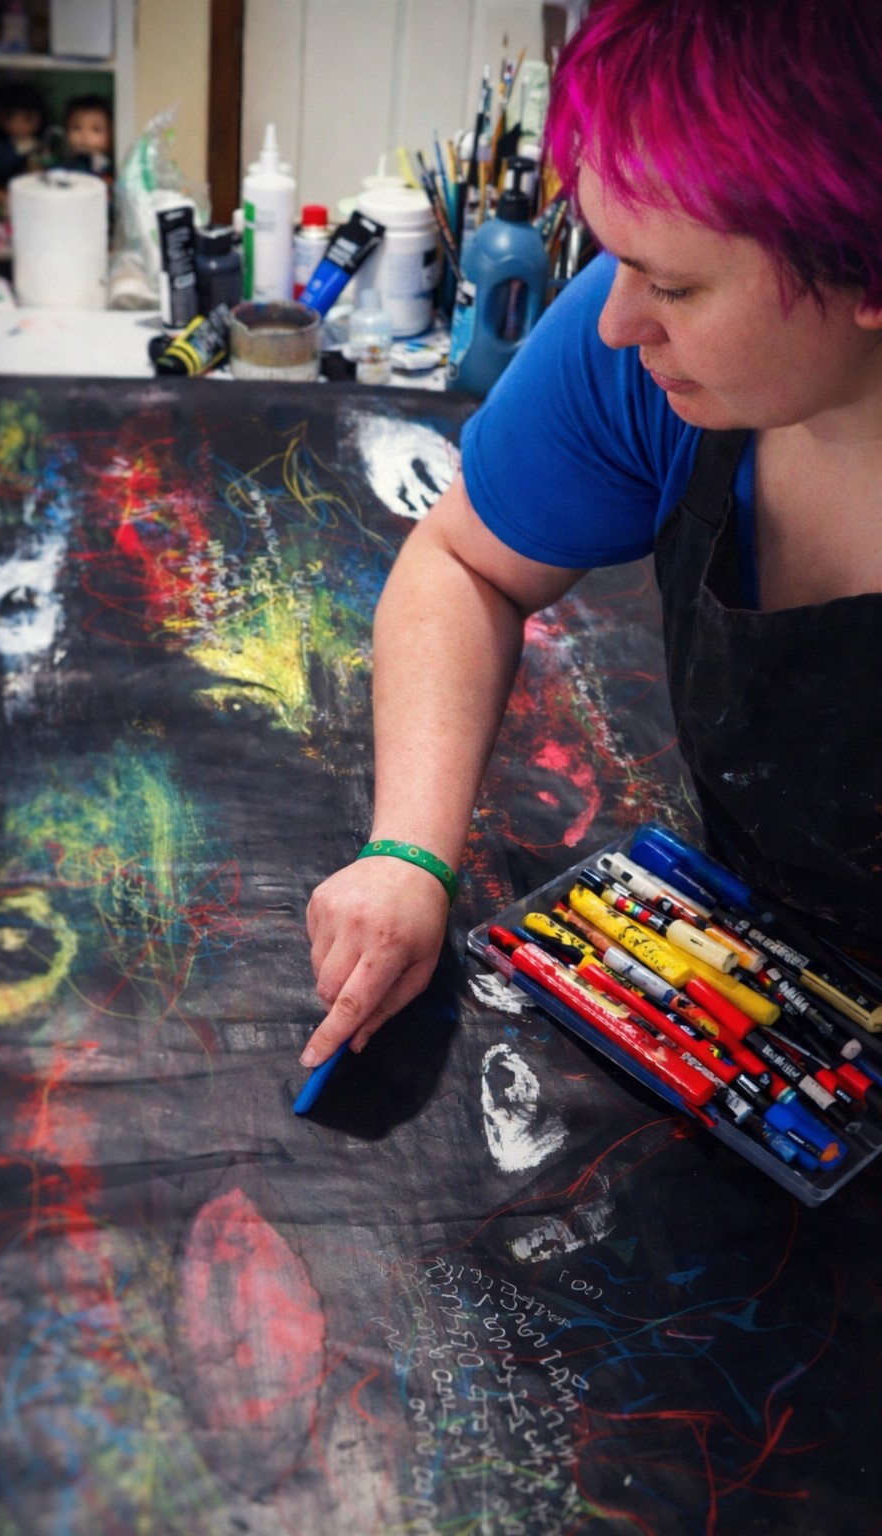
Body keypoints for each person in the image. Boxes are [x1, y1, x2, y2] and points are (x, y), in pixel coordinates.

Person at [301, 0, 882, 1070]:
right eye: (616, 259)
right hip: (768, 1006)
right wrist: (406, 854)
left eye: (673, 285)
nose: (616, 321)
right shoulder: (637, 355)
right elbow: (465, 562)